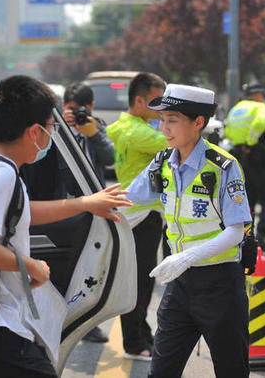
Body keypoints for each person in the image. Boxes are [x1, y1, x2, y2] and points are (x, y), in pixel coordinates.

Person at [0, 75, 132, 377]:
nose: (51, 136)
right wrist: (30, 266)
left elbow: (21, 213)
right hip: (0, 326)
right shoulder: (1, 175)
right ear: (35, 131)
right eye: (51, 127)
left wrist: (83, 203)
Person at [126, 84, 252, 378]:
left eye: (172, 120)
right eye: (161, 119)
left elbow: (236, 231)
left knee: (231, 371)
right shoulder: (163, 162)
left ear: (198, 123)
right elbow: (129, 198)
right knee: (161, 372)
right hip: (179, 287)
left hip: (220, 286)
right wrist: (88, 206)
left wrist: (187, 257)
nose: (163, 128)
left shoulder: (223, 167)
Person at [106, 72, 168, 361]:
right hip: (141, 212)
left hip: (135, 210)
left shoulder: (126, 126)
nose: (161, 108)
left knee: (140, 277)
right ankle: (134, 341)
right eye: (156, 101)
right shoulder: (141, 132)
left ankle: (141, 333)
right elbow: (175, 141)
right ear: (140, 99)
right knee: (141, 279)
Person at [62, 82, 115, 343]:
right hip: (63, 205)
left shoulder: (97, 126)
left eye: (81, 110)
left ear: (91, 108)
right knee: (65, 266)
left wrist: (92, 133)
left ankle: (83, 322)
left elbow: (109, 158)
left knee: (89, 267)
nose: (76, 115)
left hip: (93, 205)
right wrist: (62, 126)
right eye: (70, 110)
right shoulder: (55, 128)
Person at [225, 83, 265, 253]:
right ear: (259, 95)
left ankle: (247, 238)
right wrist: (250, 143)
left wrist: (242, 145)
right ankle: (261, 235)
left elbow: (228, 132)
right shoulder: (260, 107)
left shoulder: (236, 109)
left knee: (246, 200)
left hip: (239, 157)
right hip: (256, 155)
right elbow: (260, 123)